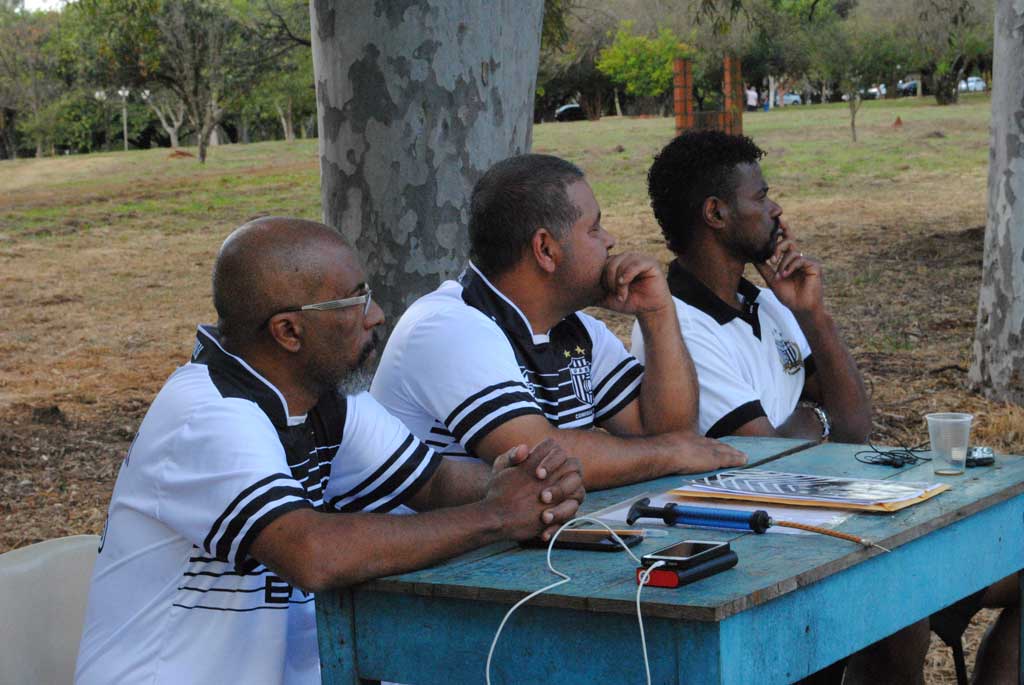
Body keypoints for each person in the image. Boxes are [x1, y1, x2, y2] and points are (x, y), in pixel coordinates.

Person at [74, 217, 584, 685]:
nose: (377, 315)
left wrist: (527, 482)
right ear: (288, 331)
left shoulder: (315, 401)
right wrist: (496, 515)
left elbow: (434, 483)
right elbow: (312, 554)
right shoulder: (209, 415)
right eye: (355, 301)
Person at [638, 129, 930, 684]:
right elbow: (764, 461)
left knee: (907, 607)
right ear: (716, 213)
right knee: (891, 607)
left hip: (812, 518)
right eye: (761, 196)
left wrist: (813, 314)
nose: (775, 209)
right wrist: (816, 424)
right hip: (752, 546)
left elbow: (854, 426)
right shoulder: (678, 325)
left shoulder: (766, 300)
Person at [371, 153, 746, 490]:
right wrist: (668, 453)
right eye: (595, 228)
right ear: (545, 249)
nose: (611, 240)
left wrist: (658, 314)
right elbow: (539, 460)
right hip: (426, 563)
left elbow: (672, 434)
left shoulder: (576, 328)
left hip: (512, 552)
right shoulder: (447, 327)